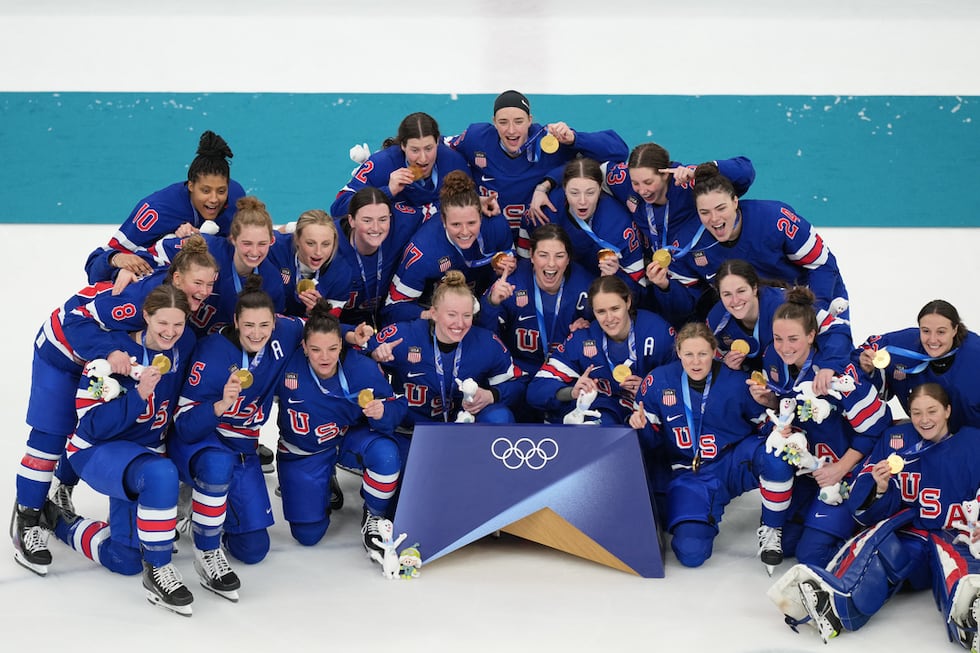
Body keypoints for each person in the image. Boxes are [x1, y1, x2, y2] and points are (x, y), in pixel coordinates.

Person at [11, 235, 217, 576]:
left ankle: (63, 490)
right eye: (199, 283)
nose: (206, 290)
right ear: (177, 279)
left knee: (104, 423)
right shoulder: (136, 299)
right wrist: (108, 350)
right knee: (51, 435)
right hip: (63, 352)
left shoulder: (177, 303)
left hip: (109, 359)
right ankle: (29, 517)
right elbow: (74, 318)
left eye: (210, 283)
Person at [769, 384, 980, 649]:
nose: (924, 420)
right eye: (916, 413)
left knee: (959, 566)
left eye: (932, 411)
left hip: (954, 534)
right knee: (876, 548)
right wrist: (879, 488)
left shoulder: (972, 442)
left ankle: (972, 614)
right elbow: (863, 503)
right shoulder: (896, 439)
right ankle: (836, 604)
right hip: (911, 534)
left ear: (947, 411)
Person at [42, 285, 197, 615]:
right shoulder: (108, 359)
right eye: (161, 324)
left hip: (141, 457)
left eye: (178, 325)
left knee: (124, 559)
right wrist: (138, 395)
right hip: (98, 450)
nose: (170, 332)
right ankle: (158, 569)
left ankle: (56, 519)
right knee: (160, 473)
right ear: (145, 317)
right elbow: (92, 425)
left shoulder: (185, 346)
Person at [170, 278, 303, 601]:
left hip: (243, 447)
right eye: (248, 326)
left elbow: (316, 329)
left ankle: (210, 507)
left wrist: (354, 335)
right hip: (203, 440)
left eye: (264, 325)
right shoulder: (211, 354)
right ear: (235, 322)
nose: (256, 333)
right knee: (216, 466)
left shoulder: (286, 332)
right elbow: (184, 425)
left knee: (254, 549)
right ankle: (206, 547)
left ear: (276, 322)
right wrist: (219, 405)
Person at [629, 323, 794, 568]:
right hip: (690, 474)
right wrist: (640, 428)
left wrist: (779, 425)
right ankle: (697, 513)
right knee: (691, 554)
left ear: (715, 351)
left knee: (777, 453)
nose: (696, 362)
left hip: (731, 463)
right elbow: (651, 446)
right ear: (678, 352)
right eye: (689, 354)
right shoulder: (657, 381)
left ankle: (772, 529)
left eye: (703, 354)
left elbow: (766, 427)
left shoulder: (737, 382)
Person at [749, 288, 892, 570]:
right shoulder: (773, 360)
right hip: (812, 470)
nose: (784, 346)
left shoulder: (838, 374)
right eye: (778, 338)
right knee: (788, 542)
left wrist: (841, 469)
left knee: (810, 555)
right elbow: (792, 406)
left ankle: (869, 534)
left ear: (812, 336)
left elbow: (878, 428)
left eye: (793, 339)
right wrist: (772, 403)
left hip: (846, 473)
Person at [275, 301, 407, 567]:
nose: (325, 357)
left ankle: (374, 515)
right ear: (303, 347)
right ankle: (325, 483)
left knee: (386, 454)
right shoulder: (284, 363)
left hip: (348, 439)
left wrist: (383, 412)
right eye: (316, 349)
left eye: (333, 348)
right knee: (307, 535)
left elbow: (396, 405)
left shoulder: (360, 367)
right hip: (305, 451)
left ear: (342, 346)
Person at [605, 143, 755, 325]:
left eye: (648, 182)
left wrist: (702, 170)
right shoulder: (623, 181)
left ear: (665, 174)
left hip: (695, 270)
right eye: (636, 183)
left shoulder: (688, 182)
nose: (642, 190)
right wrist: (574, 138)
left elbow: (746, 171)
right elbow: (594, 166)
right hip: (658, 270)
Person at [683, 164, 849, 324]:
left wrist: (814, 312)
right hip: (755, 318)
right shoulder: (690, 243)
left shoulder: (774, 219)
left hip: (809, 299)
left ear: (735, 201)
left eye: (721, 208)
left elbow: (822, 264)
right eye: (704, 212)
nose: (714, 218)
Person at [449, 90, 628, 237]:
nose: (511, 130)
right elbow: (438, 148)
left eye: (519, 121)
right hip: (488, 235)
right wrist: (468, 196)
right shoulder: (476, 138)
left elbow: (619, 150)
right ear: (494, 122)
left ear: (530, 120)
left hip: (538, 240)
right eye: (503, 122)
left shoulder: (550, 142)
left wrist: (575, 138)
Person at [368, 270, 523, 438]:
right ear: (433, 313)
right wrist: (374, 357)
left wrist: (491, 395)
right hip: (410, 431)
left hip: (464, 428)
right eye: (451, 315)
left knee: (499, 416)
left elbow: (518, 383)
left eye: (466, 315)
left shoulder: (487, 342)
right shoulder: (402, 335)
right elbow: (357, 357)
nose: (459, 323)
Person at [109, 196, 287, 335]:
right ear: (232, 238)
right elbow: (152, 254)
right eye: (247, 243)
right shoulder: (205, 246)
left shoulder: (272, 282)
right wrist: (128, 268)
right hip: (171, 332)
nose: (255, 251)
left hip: (214, 346)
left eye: (262, 244)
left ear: (271, 241)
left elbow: (270, 326)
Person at [83, 130, 244, 283]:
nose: (214, 199)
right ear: (190, 185)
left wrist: (207, 240)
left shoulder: (236, 197)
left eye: (221, 191)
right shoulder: (157, 210)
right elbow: (94, 266)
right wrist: (116, 259)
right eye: (205, 190)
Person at [528, 275, 675, 424]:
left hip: (647, 426)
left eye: (615, 309)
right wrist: (571, 392)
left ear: (628, 302)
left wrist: (650, 391)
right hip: (601, 419)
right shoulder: (583, 338)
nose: (609, 318)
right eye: (601, 312)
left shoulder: (658, 332)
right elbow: (536, 391)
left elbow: (684, 387)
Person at [383, 170, 514, 324]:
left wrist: (503, 270)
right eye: (456, 224)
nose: (465, 232)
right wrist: (431, 315)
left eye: (472, 223)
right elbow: (393, 309)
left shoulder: (496, 225)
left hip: (483, 303)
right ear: (444, 221)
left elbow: (512, 268)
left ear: (481, 216)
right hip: (436, 316)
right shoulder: (424, 252)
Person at [708, 259, 853, 390]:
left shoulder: (783, 305)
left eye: (741, 291)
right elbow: (711, 355)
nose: (735, 300)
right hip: (767, 388)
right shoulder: (716, 319)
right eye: (727, 294)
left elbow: (836, 328)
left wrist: (828, 365)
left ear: (754, 288)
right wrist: (725, 361)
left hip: (813, 379)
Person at [331, 112, 469, 231]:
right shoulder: (381, 164)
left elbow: (471, 207)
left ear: (437, 141)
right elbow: (338, 209)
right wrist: (386, 191)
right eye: (415, 150)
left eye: (429, 148)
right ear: (403, 145)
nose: (423, 158)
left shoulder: (454, 163)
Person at [856, 299, 980, 431]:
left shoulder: (975, 354)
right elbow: (862, 354)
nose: (932, 340)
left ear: (955, 329)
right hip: (924, 432)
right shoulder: (901, 345)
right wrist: (867, 368)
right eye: (926, 331)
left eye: (941, 332)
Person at [525, 158, 645, 295]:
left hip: (601, 290)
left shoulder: (618, 226)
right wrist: (542, 187)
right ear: (564, 188)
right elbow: (524, 256)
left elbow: (640, 292)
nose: (582, 201)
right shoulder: (547, 206)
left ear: (600, 189)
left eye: (590, 192)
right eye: (574, 193)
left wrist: (616, 275)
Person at [335, 188, 412, 330]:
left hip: (385, 319)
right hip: (341, 328)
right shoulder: (329, 245)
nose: (376, 228)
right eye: (367, 220)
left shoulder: (402, 228)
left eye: (383, 219)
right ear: (351, 220)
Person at [266, 208, 352, 318]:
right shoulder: (275, 248)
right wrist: (288, 227)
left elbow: (329, 325)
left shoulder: (341, 272)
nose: (318, 252)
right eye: (310, 243)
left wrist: (318, 313)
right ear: (296, 239)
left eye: (326, 244)